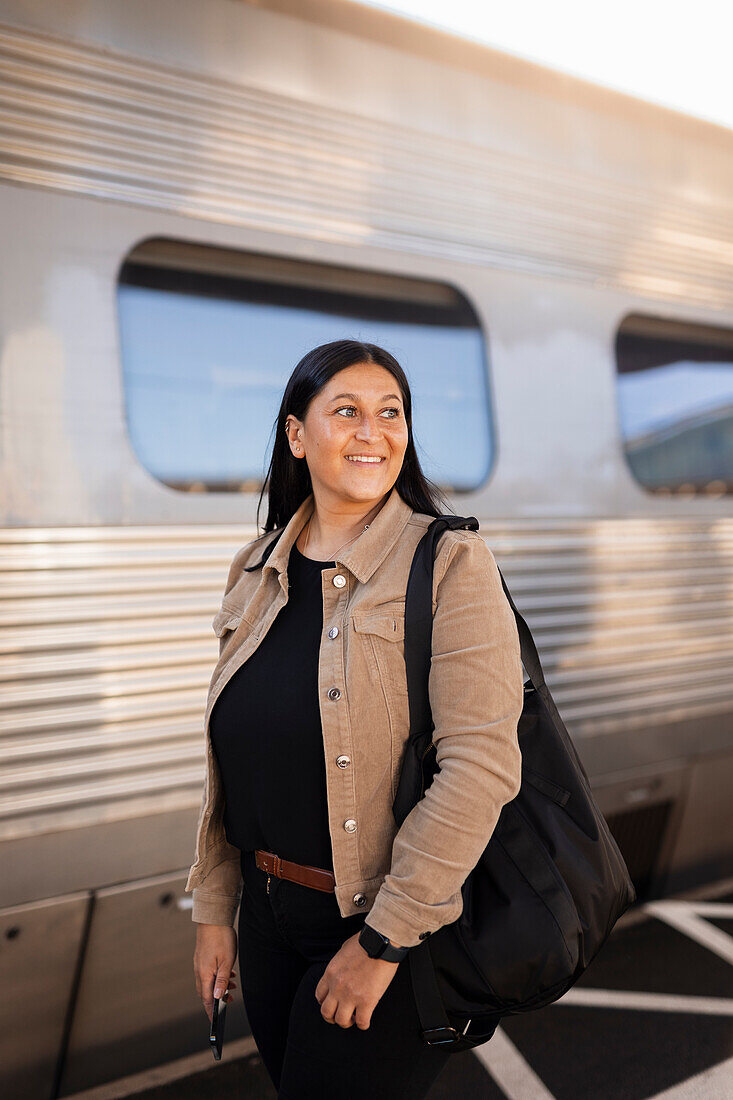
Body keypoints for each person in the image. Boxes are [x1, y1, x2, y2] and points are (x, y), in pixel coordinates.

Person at [186, 339, 524, 1098]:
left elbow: (481, 767)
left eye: (390, 412)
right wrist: (214, 908)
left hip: (383, 920)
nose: (373, 431)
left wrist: (382, 942)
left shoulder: (447, 563)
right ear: (296, 435)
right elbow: (230, 758)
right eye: (346, 411)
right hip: (268, 919)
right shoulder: (254, 567)